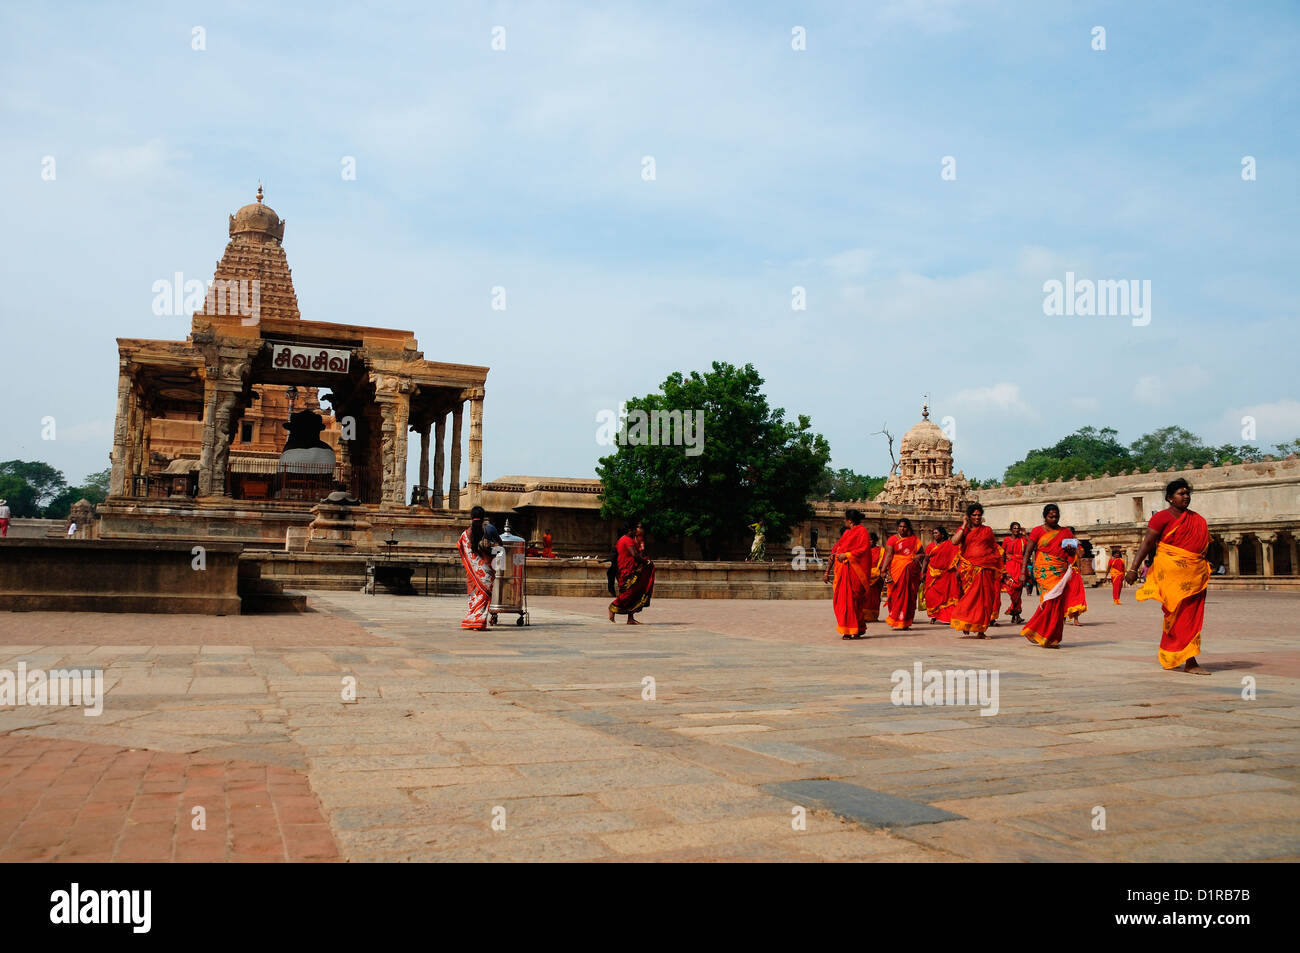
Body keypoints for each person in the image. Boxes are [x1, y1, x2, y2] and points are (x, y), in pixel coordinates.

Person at [1127, 478, 1211, 674]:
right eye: (1181, 493)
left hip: (1194, 576)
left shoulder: (1197, 519)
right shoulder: (1161, 518)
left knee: (1191, 618)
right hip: (1172, 577)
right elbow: (1147, 543)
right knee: (1176, 616)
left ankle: (1184, 658)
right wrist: (1133, 568)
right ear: (1169, 498)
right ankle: (1187, 660)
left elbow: (1204, 544)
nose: (1186, 497)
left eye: (1188, 493)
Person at [1019, 503, 1077, 648]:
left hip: (1060, 570)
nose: (1054, 519)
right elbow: (1028, 552)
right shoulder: (1037, 531)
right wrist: (1023, 571)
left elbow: (1072, 554)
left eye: (1056, 516)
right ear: (1045, 517)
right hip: (1044, 570)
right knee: (1049, 600)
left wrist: (1070, 550)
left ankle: (1051, 637)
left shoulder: (1065, 532)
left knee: (1058, 604)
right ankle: (1038, 630)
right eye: (1051, 516)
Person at [949, 504, 1003, 638]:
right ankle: (965, 622)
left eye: (979, 515)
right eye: (974, 515)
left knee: (984, 601)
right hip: (968, 569)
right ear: (969, 516)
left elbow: (993, 549)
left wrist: (995, 565)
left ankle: (981, 630)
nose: (977, 517)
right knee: (969, 599)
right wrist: (963, 525)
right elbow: (954, 542)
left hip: (985, 569)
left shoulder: (987, 530)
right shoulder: (964, 531)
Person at [823, 509, 872, 639]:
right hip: (844, 571)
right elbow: (836, 551)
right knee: (843, 602)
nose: (844, 521)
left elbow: (863, 550)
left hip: (855, 572)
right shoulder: (847, 533)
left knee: (854, 601)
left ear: (850, 521)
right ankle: (854, 628)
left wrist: (847, 555)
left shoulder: (862, 532)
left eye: (845, 519)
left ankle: (852, 630)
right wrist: (828, 570)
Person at [881, 518, 924, 630]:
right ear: (897, 527)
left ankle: (906, 621)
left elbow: (923, 554)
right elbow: (889, 555)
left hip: (911, 572)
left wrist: (918, 557)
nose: (902, 529)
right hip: (896, 571)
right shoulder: (892, 540)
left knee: (909, 597)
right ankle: (896, 618)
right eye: (900, 526)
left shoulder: (914, 540)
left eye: (904, 527)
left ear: (908, 528)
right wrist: (883, 570)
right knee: (896, 596)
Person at [609, 520, 655, 624]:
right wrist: (645, 561)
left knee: (636, 593)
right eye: (635, 529)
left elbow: (638, 553)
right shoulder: (626, 540)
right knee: (630, 593)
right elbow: (634, 554)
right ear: (630, 530)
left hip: (631, 569)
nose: (636, 531)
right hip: (627, 570)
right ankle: (613, 607)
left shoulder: (629, 539)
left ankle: (630, 618)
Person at [457, 506, 495, 631]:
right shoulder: (486, 531)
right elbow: (492, 548)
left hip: (472, 572)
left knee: (473, 595)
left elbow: (460, 546)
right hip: (485, 570)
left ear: (471, 517)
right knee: (483, 596)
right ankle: (479, 622)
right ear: (483, 517)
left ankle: (471, 620)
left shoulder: (465, 535)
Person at [923, 526, 961, 624]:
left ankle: (947, 617)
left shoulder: (950, 545)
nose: (934, 535)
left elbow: (958, 555)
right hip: (932, 574)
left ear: (942, 535)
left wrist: (958, 570)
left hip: (947, 574)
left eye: (936, 533)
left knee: (947, 596)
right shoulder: (930, 546)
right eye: (934, 533)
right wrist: (922, 572)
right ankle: (933, 615)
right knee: (931, 596)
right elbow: (926, 559)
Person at [1001, 521, 1028, 624]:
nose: (1016, 530)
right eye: (1014, 528)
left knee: (1019, 591)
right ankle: (1015, 613)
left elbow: (1031, 546)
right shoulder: (1006, 540)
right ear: (1011, 529)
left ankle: (1015, 614)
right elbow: (1003, 553)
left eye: (1018, 528)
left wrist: (1025, 534)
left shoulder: (1022, 539)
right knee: (1012, 589)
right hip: (1010, 566)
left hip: (1020, 567)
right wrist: (1003, 567)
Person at [1063, 527, 1089, 626]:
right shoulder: (1061, 544)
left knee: (1076, 595)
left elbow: (1081, 555)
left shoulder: (1077, 545)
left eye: (1071, 533)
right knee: (1063, 595)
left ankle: (1076, 619)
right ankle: (1063, 618)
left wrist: (1075, 544)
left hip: (1074, 573)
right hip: (1063, 572)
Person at [865, 531, 885, 622]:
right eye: (867, 540)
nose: (869, 542)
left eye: (871, 540)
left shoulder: (881, 550)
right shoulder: (863, 551)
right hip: (864, 576)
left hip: (877, 577)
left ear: (875, 541)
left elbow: (883, 562)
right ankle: (864, 616)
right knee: (864, 597)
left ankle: (873, 616)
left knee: (875, 598)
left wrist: (880, 571)